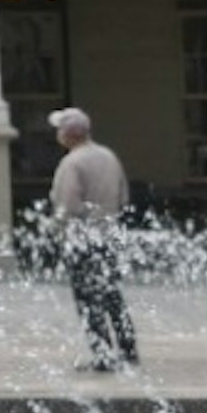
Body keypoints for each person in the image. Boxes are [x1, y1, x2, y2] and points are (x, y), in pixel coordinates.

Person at [48, 106, 141, 373]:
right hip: (109, 235)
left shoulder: (72, 163)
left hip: (81, 239)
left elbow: (67, 204)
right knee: (112, 294)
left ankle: (102, 354)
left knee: (87, 299)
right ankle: (128, 350)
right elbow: (123, 198)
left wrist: (56, 229)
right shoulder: (108, 156)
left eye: (59, 130)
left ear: (67, 135)